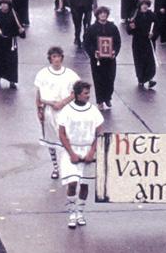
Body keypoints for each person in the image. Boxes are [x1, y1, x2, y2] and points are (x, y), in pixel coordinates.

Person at [58, 80, 104, 229]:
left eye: (88, 93)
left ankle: (80, 212)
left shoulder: (93, 111)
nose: (88, 96)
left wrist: (92, 152)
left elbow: (99, 133)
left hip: (88, 150)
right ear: (77, 94)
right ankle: (71, 212)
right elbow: (62, 134)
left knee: (84, 184)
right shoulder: (67, 111)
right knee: (72, 183)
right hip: (71, 149)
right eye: (85, 93)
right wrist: (71, 153)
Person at [34, 47, 78, 179]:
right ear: (50, 59)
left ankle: (68, 167)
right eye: (54, 57)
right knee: (50, 140)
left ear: (62, 58)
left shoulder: (70, 75)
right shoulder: (43, 74)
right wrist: (39, 110)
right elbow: (38, 94)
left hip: (65, 111)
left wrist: (63, 102)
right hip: (49, 110)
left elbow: (75, 92)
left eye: (58, 56)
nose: (56, 59)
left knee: (66, 139)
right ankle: (55, 167)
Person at [83, 6, 121, 110]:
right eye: (101, 13)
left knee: (110, 79)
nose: (103, 15)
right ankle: (100, 101)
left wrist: (115, 51)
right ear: (97, 15)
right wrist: (93, 52)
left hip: (110, 59)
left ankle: (107, 97)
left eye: (105, 13)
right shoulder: (91, 29)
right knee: (98, 80)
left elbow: (118, 42)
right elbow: (86, 43)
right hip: (97, 60)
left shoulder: (113, 27)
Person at [0, 0, 26, 89]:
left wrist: (21, 32)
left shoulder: (14, 15)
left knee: (11, 62)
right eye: (2, 4)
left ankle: (12, 81)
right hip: (0, 42)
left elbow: (19, 28)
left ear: (9, 5)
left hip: (11, 43)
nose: (3, 6)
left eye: (5, 4)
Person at [127, 0, 158, 89]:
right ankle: (141, 78)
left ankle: (150, 79)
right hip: (138, 42)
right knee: (140, 61)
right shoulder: (135, 15)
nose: (145, 6)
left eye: (146, 4)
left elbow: (157, 27)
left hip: (149, 41)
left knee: (150, 61)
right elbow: (129, 31)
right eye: (143, 4)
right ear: (140, 6)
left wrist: (153, 34)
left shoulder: (152, 15)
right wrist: (131, 27)